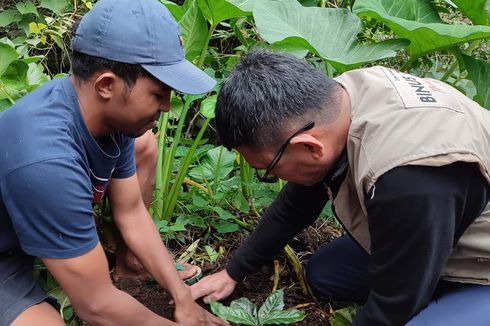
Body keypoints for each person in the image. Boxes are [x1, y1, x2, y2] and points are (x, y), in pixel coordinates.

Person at [190, 49, 490, 325]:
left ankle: (452, 295)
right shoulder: (339, 100)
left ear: (308, 146)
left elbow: (393, 306)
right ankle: (435, 281)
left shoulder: (409, 177)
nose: (277, 179)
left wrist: (405, 291)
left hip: (482, 264)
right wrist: (233, 271)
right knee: (326, 275)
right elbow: (297, 203)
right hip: (443, 228)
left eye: (268, 171)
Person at [0, 0, 228, 325]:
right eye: (158, 94)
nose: (166, 107)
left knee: (144, 143)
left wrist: (181, 297)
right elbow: (96, 305)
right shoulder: (46, 161)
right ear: (107, 85)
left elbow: (132, 212)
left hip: (21, 237)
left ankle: (123, 267)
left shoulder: (106, 118)